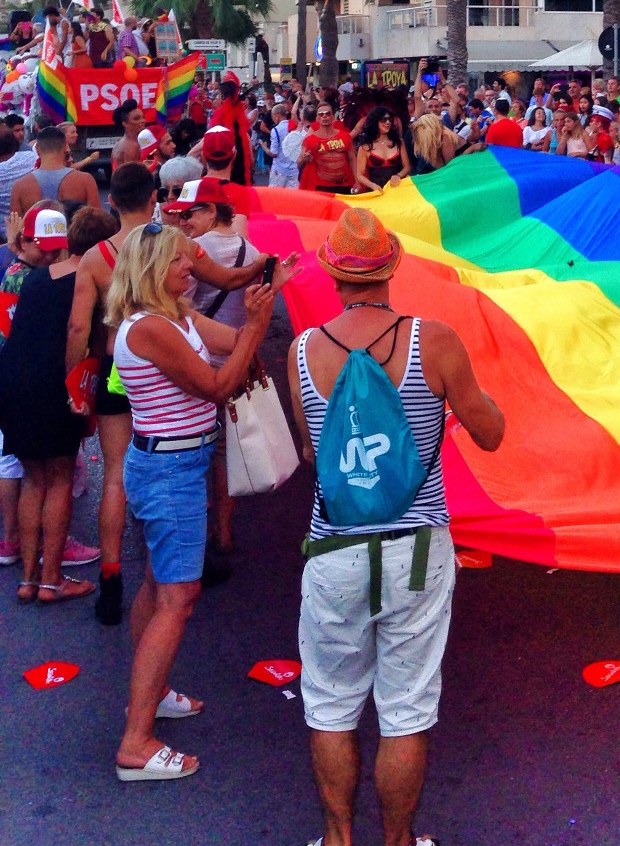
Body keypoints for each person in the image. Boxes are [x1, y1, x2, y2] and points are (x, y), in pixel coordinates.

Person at [286, 208, 504, 846]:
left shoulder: (303, 351)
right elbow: (490, 433)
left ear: (332, 275)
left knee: (329, 705)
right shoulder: (431, 341)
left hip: (335, 547)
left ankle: (337, 839)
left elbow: (310, 455)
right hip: (417, 548)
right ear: (392, 269)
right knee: (404, 710)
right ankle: (399, 843)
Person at [66, 163, 279, 625]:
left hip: (112, 372)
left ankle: (111, 573)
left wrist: (76, 386)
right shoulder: (170, 252)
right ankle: (175, 560)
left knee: (119, 472)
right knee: (164, 456)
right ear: (152, 200)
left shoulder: (95, 257)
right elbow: (227, 280)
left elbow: (80, 325)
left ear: (111, 201)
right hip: (160, 372)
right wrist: (265, 268)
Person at [108, 223, 276, 782]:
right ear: (156, 268)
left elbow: (228, 345)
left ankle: (149, 697)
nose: (193, 267)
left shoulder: (175, 315)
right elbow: (215, 384)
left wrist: (259, 315)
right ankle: (136, 741)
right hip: (170, 470)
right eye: (183, 261)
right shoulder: (152, 327)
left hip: (175, 463)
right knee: (178, 598)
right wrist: (254, 325)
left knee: (160, 586)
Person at [1, 206, 116, 604]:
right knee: (61, 477)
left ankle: (28, 578)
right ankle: (52, 580)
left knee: (34, 480)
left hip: (14, 382)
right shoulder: (93, 284)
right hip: (56, 385)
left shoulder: (35, 279)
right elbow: (89, 340)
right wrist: (83, 394)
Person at [164, 177, 260, 554]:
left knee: (191, 449)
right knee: (223, 454)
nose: (184, 222)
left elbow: (177, 308)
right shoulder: (252, 251)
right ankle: (223, 532)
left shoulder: (190, 252)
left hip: (195, 365)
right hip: (235, 362)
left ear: (210, 210)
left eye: (190, 213)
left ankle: (192, 534)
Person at [10, 125, 100, 215]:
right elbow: (97, 220)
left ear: (37, 149)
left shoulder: (20, 186)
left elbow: (16, 226)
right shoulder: (85, 181)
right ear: (65, 147)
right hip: (74, 228)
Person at [298, 102, 355, 194]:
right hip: (321, 186)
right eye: (321, 114)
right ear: (317, 118)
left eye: (328, 113)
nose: (325, 116)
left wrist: (356, 181)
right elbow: (299, 162)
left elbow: (352, 159)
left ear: (333, 117)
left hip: (344, 185)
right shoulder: (310, 140)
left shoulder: (345, 136)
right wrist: (304, 158)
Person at [354, 107, 410, 193]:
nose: (388, 122)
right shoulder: (364, 147)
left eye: (390, 119)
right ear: (375, 122)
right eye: (384, 120)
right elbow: (360, 175)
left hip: (397, 189)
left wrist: (398, 175)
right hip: (376, 191)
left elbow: (407, 167)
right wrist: (373, 185)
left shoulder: (399, 142)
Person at [111, 99, 147, 171]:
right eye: (136, 119)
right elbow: (133, 177)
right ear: (125, 123)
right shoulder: (131, 146)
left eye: (143, 117)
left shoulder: (125, 143)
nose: (143, 121)